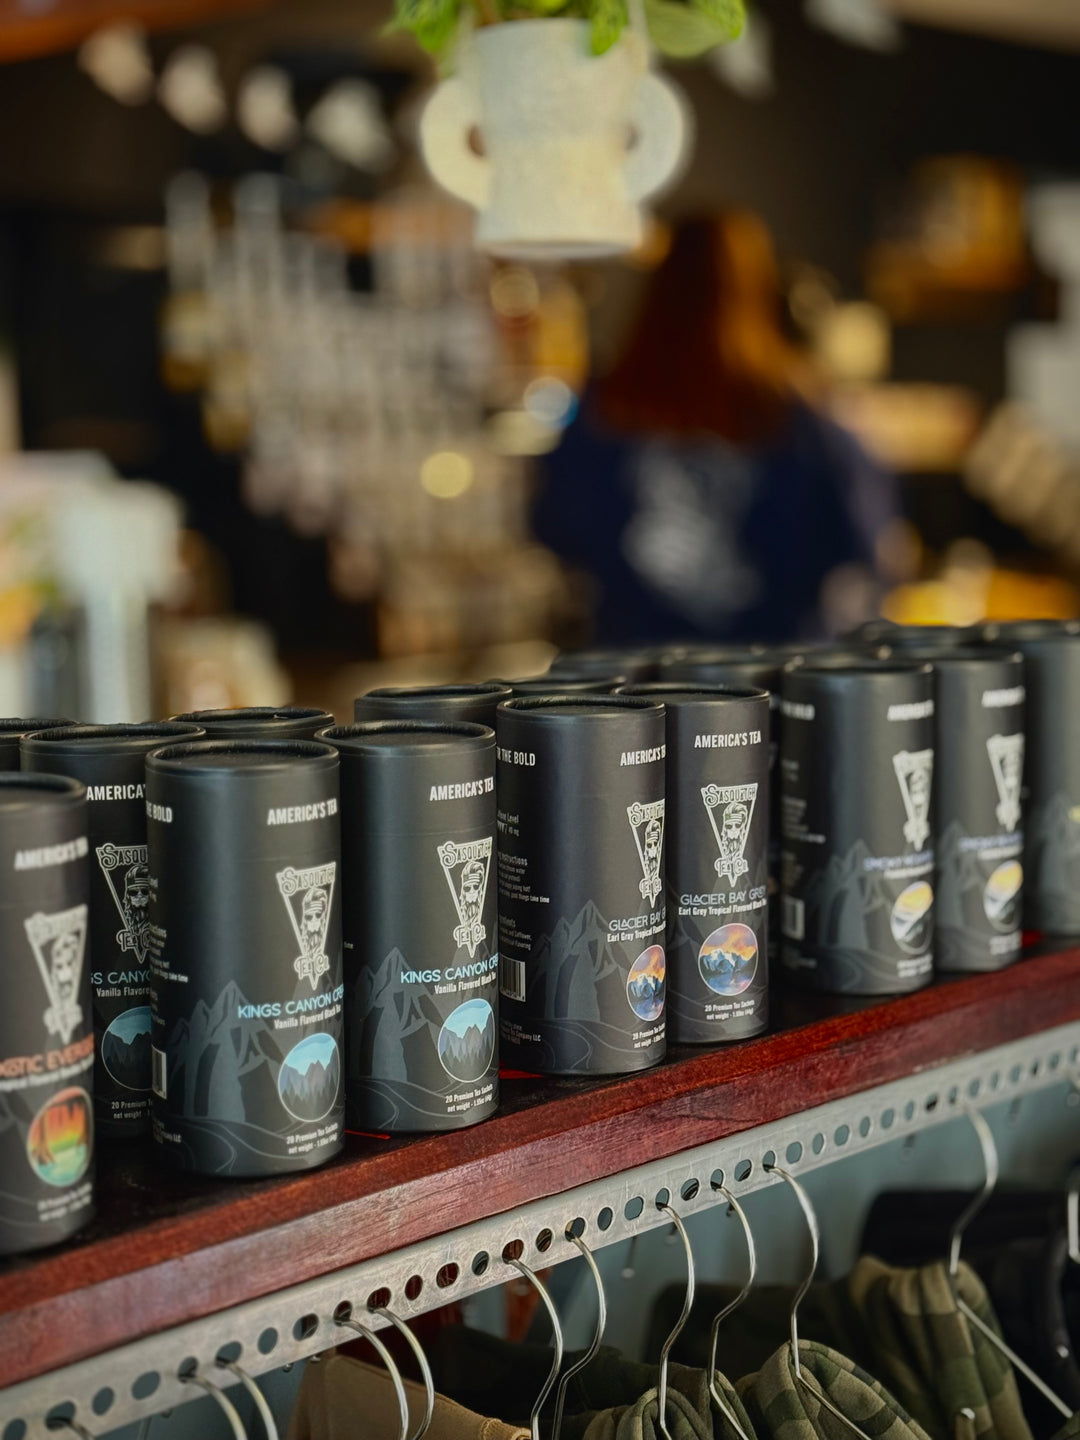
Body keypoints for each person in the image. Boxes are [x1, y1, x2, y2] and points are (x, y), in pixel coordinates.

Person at [533, 212, 897, 645]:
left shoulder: (600, 410)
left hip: (632, 674)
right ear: (760, 291)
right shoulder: (807, 422)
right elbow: (867, 549)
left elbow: (553, 529)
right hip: (776, 672)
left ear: (654, 290)